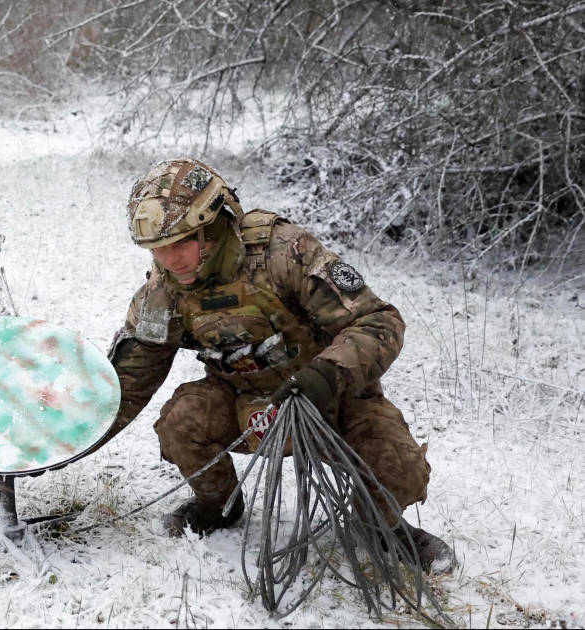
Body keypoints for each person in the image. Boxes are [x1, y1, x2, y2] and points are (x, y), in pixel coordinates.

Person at [104, 158, 456, 574]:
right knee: (182, 422)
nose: (169, 259)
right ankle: (218, 508)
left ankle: (380, 526)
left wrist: (325, 376)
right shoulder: (163, 290)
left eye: (181, 243)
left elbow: (379, 322)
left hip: (330, 395)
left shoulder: (283, 253)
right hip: (244, 402)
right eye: (157, 250)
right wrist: (57, 444)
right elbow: (128, 380)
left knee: (400, 470)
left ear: (212, 225)